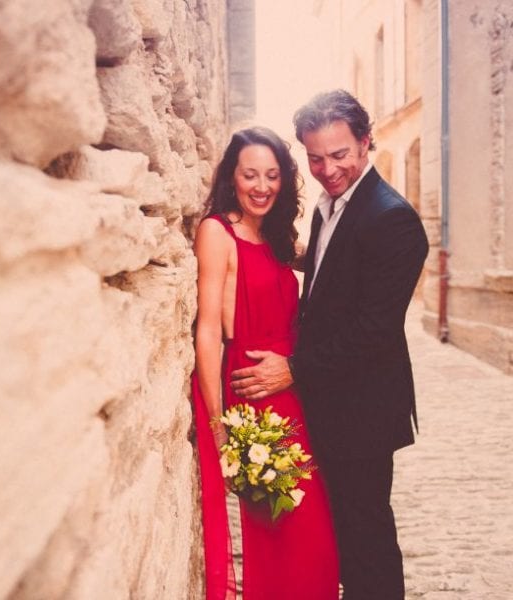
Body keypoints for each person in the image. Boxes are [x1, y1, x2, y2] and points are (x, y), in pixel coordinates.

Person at [230, 90, 429, 600]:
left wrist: (293, 368)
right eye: (315, 157)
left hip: (362, 408)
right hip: (326, 403)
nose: (328, 168)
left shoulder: (393, 218)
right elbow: (330, 277)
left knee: (366, 541)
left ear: (366, 142)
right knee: (338, 537)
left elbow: (373, 328)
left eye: (340, 154)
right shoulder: (328, 207)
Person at [192, 126, 339, 600]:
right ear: (231, 178)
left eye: (272, 176)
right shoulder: (218, 233)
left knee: (314, 540)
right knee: (275, 534)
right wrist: (217, 425)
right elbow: (209, 329)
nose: (262, 186)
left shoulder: (276, 236)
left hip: (295, 395)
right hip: (253, 401)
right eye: (250, 174)